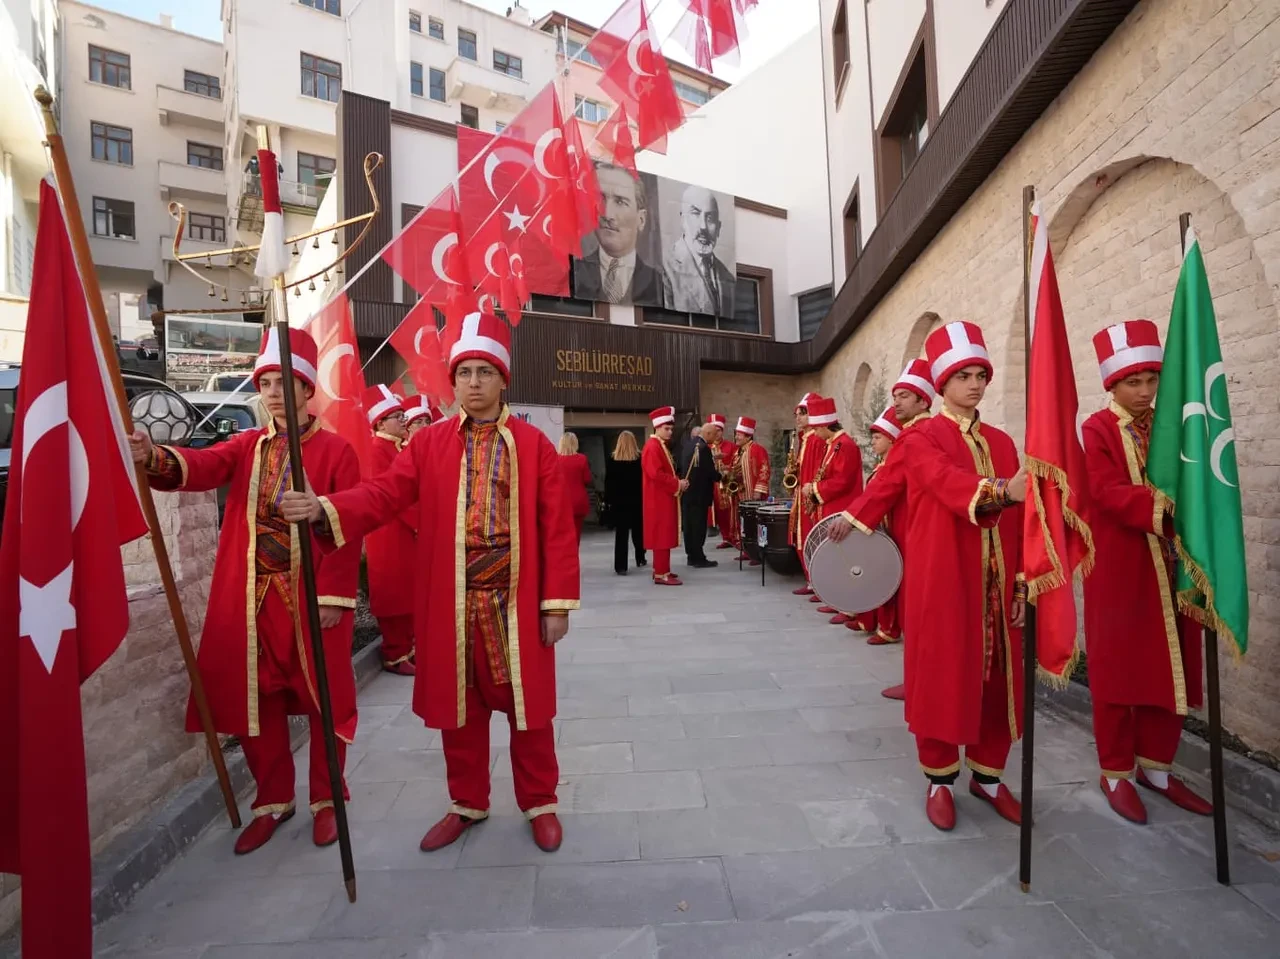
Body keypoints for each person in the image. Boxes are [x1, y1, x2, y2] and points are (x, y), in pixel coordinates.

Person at [280, 310, 580, 854]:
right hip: (452, 601)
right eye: (463, 372)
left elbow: (557, 529)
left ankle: (540, 803)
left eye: (483, 372)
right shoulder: (429, 443)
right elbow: (384, 495)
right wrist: (325, 507)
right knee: (459, 712)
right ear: (453, 380)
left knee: (527, 710)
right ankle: (467, 802)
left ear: (502, 378)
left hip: (514, 600)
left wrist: (555, 604)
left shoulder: (534, 446)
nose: (472, 382)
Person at [128, 328, 361, 854]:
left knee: (326, 702)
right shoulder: (247, 446)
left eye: (287, 382)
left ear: (307, 390)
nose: (276, 392)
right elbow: (202, 467)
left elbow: (349, 528)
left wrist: (333, 595)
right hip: (253, 599)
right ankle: (272, 801)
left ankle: (329, 801)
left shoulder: (336, 451)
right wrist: (153, 456)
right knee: (259, 704)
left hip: (308, 602)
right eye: (268, 382)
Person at [828, 322, 1028, 832]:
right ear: (942, 383)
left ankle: (988, 777)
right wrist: (1004, 491)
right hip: (943, 581)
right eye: (964, 375)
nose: (976, 384)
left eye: (982, 374)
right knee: (942, 675)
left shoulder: (1004, 443)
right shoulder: (922, 438)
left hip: (996, 584)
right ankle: (940, 780)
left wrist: (1024, 579)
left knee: (996, 681)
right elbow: (945, 483)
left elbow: (1024, 520)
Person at [1083, 319, 1211, 823]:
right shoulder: (1096, 429)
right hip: (1122, 568)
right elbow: (1106, 492)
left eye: (1151, 380)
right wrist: (1170, 506)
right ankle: (1115, 771)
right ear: (1112, 384)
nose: (1143, 391)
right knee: (1119, 672)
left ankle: (1157, 767)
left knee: (1171, 666)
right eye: (1132, 382)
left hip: (1175, 566)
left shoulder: (1172, 427)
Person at [842, 358, 937, 702]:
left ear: (924, 400)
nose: (895, 401)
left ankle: (920, 684)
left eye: (903, 396)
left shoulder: (916, 436)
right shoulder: (922, 432)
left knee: (920, 613)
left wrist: (850, 520)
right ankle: (920, 681)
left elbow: (887, 485)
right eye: (895, 395)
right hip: (914, 531)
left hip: (919, 533)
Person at [363, 384, 417, 676]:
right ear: (380, 422)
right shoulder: (376, 451)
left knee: (408, 591)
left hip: (404, 531)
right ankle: (395, 653)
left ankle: (408, 648)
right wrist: (419, 521)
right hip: (389, 533)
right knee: (394, 593)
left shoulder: (395, 448)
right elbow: (391, 494)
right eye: (397, 416)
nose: (403, 420)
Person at [801, 396, 864, 625]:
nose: (815, 434)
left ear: (826, 426)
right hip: (830, 506)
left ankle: (849, 607)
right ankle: (838, 600)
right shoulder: (833, 444)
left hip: (842, 506)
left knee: (845, 560)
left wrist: (814, 488)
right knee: (836, 558)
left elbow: (842, 482)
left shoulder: (845, 445)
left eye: (817, 429)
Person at [850, 406, 905, 645]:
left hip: (893, 528)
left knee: (889, 577)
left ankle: (889, 628)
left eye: (877, 437)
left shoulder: (893, 465)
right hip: (879, 527)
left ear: (892, 438)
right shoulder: (881, 464)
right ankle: (871, 620)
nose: (872, 442)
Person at [573, 162, 664, 305]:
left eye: (620, 202)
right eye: (600, 198)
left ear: (641, 219)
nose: (607, 214)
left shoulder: (659, 283)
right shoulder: (574, 272)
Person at [662, 184, 736, 316]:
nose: (703, 227)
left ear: (718, 228)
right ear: (683, 219)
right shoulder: (664, 269)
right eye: (695, 214)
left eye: (710, 218)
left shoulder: (728, 278)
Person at [641, 406, 687, 586]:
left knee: (664, 534)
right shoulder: (653, 447)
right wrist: (677, 483)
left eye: (671, 429)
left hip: (661, 497)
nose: (670, 432)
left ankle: (662, 569)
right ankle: (661, 573)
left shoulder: (658, 445)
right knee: (661, 535)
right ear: (657, 427)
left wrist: (678, 482)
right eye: (666, 429)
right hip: (658, 499)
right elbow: (656, 474)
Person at [789, 392, 827, 597]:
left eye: (802, 413)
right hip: (801, 495)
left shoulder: (815, 440)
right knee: (801, 538)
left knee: (809, 538)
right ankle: (811, 580)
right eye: (797, 414)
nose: (798, 418)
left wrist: (811, 495)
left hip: (809, 498)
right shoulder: (805, 439)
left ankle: (816, 582)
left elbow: (818, 470)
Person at [680, 418, 720, 569]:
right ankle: (699, 557)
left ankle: (691, 556)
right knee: (698, 527)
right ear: (708, 433)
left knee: (689, 527)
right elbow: (709, 472)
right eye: (714, 435)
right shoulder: (703, 448)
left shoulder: (688, 445)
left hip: (688, 493)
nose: (715, 438)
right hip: (699, 495)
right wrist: (722, 476)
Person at [732, 416, 771, 566]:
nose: (736, 437)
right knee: (744, 523)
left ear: (748, 436)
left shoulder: (757, 449)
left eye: (739, 434)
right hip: (741, 494)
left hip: (754, 493)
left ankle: (759, 554)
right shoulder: (738, 452)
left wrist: (759, 489)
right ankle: (748, 551)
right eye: (736, 434)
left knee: (757, 524)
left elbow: (765, 469)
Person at [605, 430, 646, 574]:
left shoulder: (612, 459)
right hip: (636, 500)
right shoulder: (640, 459)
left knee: (621, 535)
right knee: (638, 532)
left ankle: (620, 566)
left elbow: (608, 482)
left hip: (619, 502)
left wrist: (609, 500)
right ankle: (640, 556)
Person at [704, 413, 738, 551]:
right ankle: (726, 538)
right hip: (711, 486)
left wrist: (727, 467)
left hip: (727, 484)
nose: (716, 433)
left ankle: (734, 537)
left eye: (719, 430)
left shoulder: (731, 446)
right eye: (714, 430)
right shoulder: (705, 447)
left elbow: (737, 464)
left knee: (730, 512)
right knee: (717, 513)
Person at [557, 432, 594, 541]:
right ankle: (574, 557)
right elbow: (587, 479)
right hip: (578, 502)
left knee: (562, 536)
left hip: (561, 502)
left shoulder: (555, 459)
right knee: (576, 535)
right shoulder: (582, 459)